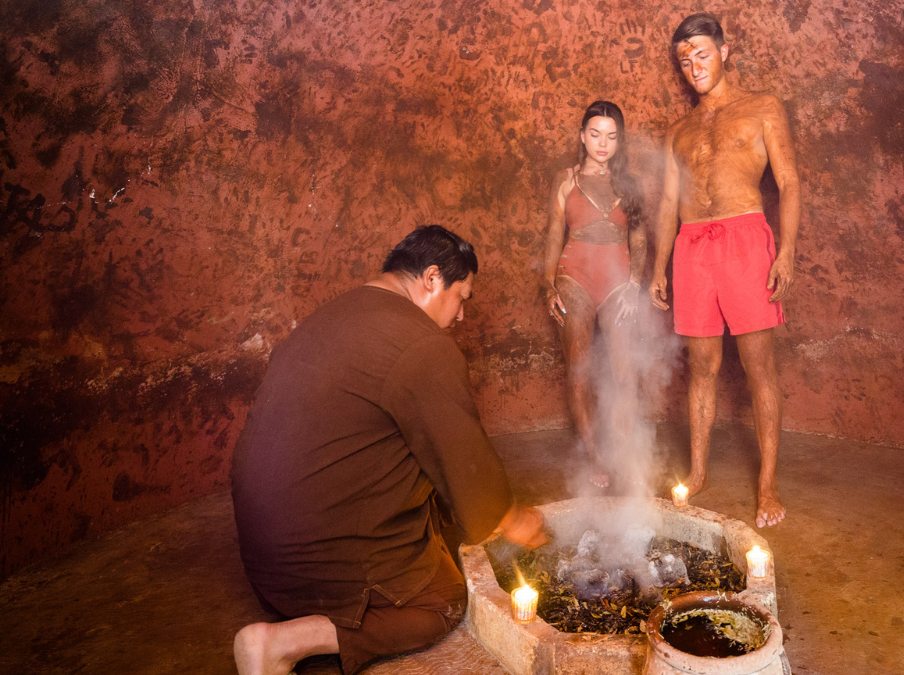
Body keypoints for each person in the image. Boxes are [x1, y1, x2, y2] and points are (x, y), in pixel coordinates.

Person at [230, 226, 548, 675]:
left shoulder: (336, 313)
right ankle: (282, 643)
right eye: (462, 298)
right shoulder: (421, 344)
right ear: (432, 278)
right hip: (312, 574)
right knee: (442, 600)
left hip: (264, 567)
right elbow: (463, 461)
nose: (460, 316)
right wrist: (513, 518)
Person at [648, 14, 803, 528]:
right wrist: (660, 267)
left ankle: (767, 485)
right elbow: (668, 203)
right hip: (691, 249)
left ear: (725, 51)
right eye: (685, 60)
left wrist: (787, 252)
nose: (694, 66)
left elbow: (790, 182)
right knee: (702, 367)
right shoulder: (679, 131)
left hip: (745, 240)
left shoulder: (762, 108)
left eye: (702, 54)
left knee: (760, 367)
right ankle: (696, 473)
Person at [541, 100, 648, 489]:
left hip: (618, 281)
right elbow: (555, 232)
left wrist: (635, 284)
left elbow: (639, 238)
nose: (602, 144)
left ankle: (623, 450)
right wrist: (548, 283)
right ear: (582, 136)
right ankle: (593, 456)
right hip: (575, 277)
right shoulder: (565, 179)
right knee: (579, 368)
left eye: (611, 136)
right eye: (595, 134)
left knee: (624, 370)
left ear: (620, 141)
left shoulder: (629, 183)